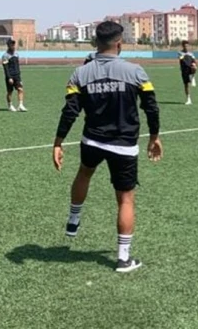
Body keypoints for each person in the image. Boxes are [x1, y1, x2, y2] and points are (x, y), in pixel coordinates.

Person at [52, 21, 162, 273]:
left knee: (84, 173)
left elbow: (70, 111)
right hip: (124, 145)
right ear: (119, 43)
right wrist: (154, 136)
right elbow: (151, 107)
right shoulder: (136, 72)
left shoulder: (80, 73)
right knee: (125, 199)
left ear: (95, 43)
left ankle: (74, 219)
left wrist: (58, 142)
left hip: (92, 140)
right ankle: (123, 259)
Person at [2, 39, 27, 112]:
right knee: (10, 92)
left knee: (20, 89)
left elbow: (17, 66)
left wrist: (19, 75)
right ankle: (10, 105)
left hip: (17, 76)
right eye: (11, 45)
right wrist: (9, 77)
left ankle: (20, 105)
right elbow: (6, 68)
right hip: (10, 76)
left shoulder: (16, 54)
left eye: (14, 44)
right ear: (8, 46)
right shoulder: (5, 56)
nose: (13, 46)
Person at [178, 40, 197, 105]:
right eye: (185, 46)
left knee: (194, 67)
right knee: (186, 85)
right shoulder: (180, 53)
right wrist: (190, 65)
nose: (186, 47)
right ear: (183, 46)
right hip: (184, 70)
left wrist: (194, 64)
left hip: (190, 68)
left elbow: (194, 61)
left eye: (187, 46)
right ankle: (188, 99)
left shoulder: (191, 53)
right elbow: (183, 61)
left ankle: (193, 77)